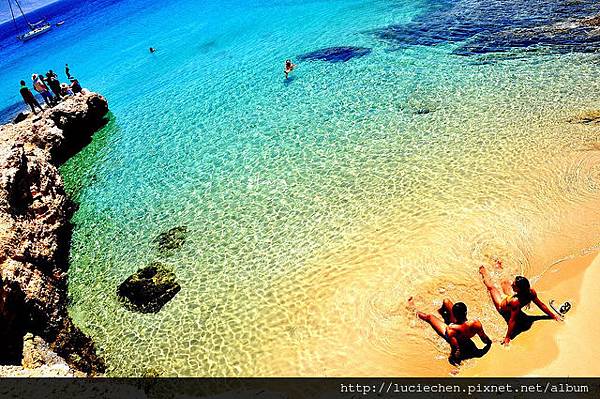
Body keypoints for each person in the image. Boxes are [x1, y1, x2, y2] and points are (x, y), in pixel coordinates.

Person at [479, 261, 560, 345]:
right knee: (505, 282)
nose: (512, 284)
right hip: (507, 302)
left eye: (514, 285)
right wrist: (553, 316)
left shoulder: (517, 301)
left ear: (519, 289)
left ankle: (483, 272)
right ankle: (498, 267)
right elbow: (541, 305)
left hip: (501, 307)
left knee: (491, 287)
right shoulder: (528, 292)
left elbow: (512, 320)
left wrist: (507, 338)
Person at [410, 297, 492, 365]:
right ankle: (441, 312)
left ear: (454, 314)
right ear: (466, 312)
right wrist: (489, 343)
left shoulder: (451, 329)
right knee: (447, 301)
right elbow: (484, 338)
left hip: (452, 333)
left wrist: (455, 363)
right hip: (461, 330)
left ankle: (413, 310)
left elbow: (456, 350)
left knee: (429, 317)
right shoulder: (475, 324)